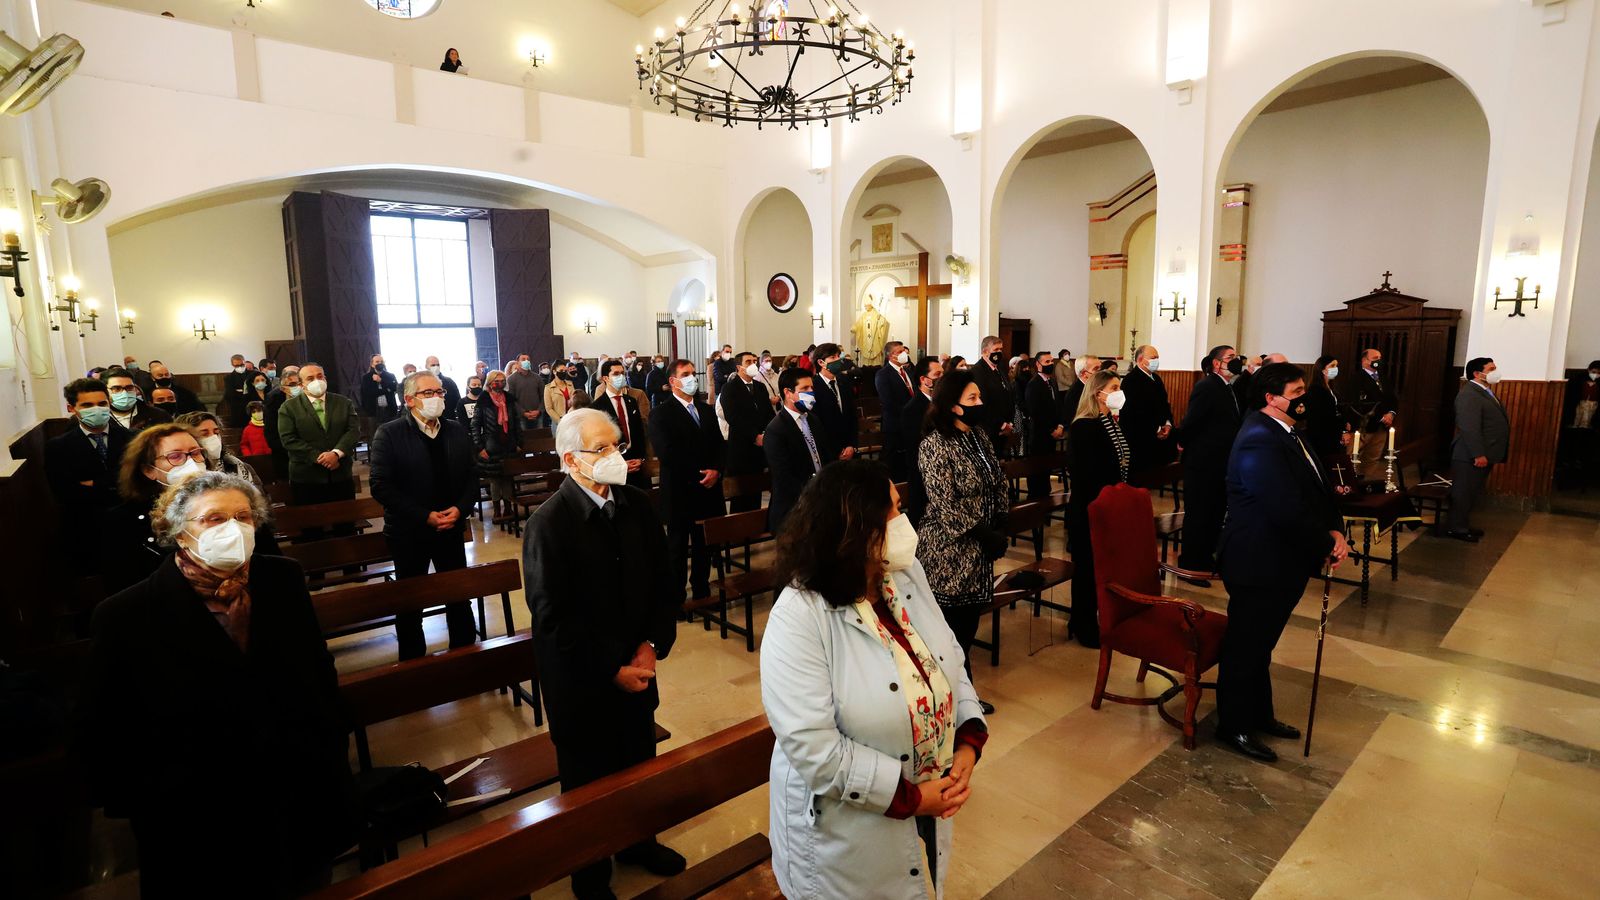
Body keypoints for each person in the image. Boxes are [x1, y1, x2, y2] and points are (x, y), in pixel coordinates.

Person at [88, 472, 357, 896]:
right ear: (178, 532)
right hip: (196, 811)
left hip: (296, 788)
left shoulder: (282, 579)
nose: (233, 529)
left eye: (243, 517)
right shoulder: (125, 614)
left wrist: (330, 750)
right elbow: (108, 728)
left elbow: (318, 674)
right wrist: (156, 800)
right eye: (213, 519)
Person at [762, 461, 986, 900]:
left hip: (927, 789)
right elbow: (816, 749)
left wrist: (966, 743)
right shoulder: (799, 615)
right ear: (857, 528)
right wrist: (914, 799)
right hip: (840, 834)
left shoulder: (903, 575)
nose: (907, 523)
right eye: (895, 512)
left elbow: (948, 660)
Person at [522, 408, 685, 899]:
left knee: (638, 765)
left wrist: (651, 646)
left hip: (638, 666)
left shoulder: (635, 504)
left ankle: (638, 842)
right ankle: (590, 871)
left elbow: (664, 582)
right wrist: (610, 667)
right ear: (572, 459)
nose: (615, 456)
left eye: (617, 445)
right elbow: (553, 617)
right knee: (587, 781)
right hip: (583, 680)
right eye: (602, 449)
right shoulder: (549, 524)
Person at [1215, 363, 1349, 763]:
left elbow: (1318, 488)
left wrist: (1336, 530)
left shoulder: (1289, 431)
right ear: (1271, 398)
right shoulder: (1258, 438)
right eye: (1296, 391)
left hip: (1282, 558)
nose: (1303, 397)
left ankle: (1259, 714)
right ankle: (1233, 725)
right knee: (1246, 644)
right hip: (1257, 559)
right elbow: (1283, 507)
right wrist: (1324, 541)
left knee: (1263, 643)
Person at [371, 372, 481, 659]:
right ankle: (413, 664)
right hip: (410, 533)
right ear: (409, 400)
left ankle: (465, 654)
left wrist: (461, 508)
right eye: (428, 393)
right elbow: (381, 486)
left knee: (457, 596)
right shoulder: (390, 433)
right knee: (411, 602)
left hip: (451, 527)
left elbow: (471, 475)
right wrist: (424, 516)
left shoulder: (455, 429)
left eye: (440, 392)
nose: (436, 398)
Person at [916, 370, 1007, 715]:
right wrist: (984, 533)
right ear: (952, 405)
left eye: (979, 397)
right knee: (951, 633)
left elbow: (997, 479)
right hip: (948, 550)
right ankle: (955, 699)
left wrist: (1000, 521)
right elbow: (944, 503)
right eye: (972, 399)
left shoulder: (979, 436)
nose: (979, 404)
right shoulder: (934, 444)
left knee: (968, 626)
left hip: (978, 549)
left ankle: (961, 694)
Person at [1064, 371, 1132, 649]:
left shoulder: (1111, 422)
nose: (1119, 392)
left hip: (1110, 508)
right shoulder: (1083, 427)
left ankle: (1095, 618)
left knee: (1102, 569)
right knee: (1087, 571)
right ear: (1097, 392)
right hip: (1090, 509)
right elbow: (1085, 475)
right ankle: (1083, 624)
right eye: (1114, 387)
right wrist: (1108, 500)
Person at [648, 360, 725, 600]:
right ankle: (677, 596)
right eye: (686, 374)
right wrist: (701, 474)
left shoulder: (706, 409)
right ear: (673, 381)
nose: (692, 378)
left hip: (708, 489)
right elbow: (668, 453)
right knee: (678, 548)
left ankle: (701, 589)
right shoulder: (661, 413)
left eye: (693, 373)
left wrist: (716, 470)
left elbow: (720, 446)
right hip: (681, 490)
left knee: (703, 545)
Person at [1177, 346, 1244, 582]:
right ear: (1217, 363)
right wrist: (1181, 441)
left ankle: (1206, 558)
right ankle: (1191, 565)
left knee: (1214, 513)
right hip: (1203, 462)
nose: (1235, 361)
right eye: (1230, 358)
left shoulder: (1227, 387)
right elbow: (1192, 420)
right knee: (1200, 514)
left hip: (1218, 461)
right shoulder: (1207, 386)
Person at [277, 363, 359, 515]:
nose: (317, 381)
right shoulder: (288, 407)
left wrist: (336, 454)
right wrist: (319, 457)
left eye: (320, 376)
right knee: (312, 529)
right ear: (302, 385)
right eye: (310, 378)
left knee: (346, 524)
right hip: (306, 477)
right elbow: (288, 439)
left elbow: (353, 431)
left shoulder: (343, 403)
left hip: (340, 474)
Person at [764, 367, 838, 534]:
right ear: (788, 393)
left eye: (811, 388)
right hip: (794, 509)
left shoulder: (813, 420)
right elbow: (783, 476)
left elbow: (826, 458)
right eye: (804, 389)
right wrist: (813, 495)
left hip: (820, 503)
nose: (811, 392)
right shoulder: (776, 429)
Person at [45, 378, 132, 519]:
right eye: (87, 405)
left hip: (131, 517)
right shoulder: (58, 446)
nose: (97, 409)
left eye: (102, 404)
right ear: (71, 408)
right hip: (86, 521)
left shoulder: (132, 438)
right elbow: (66, 492)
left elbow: (138, 480)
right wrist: (115, 482)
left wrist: (95, 483)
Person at [1445, 358, 1510, 542]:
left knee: (1471, 491)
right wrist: (1478, 453)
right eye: (1491, 369)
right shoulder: (1469, 394)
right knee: (1463, 492)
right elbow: (1469, 427)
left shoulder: (1484, 391)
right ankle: (1456, 528)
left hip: (1483, 452)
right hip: (1469, 454)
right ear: (1476, 373)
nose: (1495, 371)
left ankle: (1462, 524)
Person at [718, 351, 774, 511]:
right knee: (741, 495)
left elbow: (769, 414)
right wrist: (753, 435)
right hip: (741, 447)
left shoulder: (760, 387)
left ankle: (755, 529)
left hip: (761, 445)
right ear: (739, 367)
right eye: (748, 361)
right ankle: (739, 532)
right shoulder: (729, 388)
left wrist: (766, 434)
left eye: (755, 361)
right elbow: (733, 417)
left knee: (756, 492)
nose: (753, 364)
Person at [589, 358, 652, 489]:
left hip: (636, 461)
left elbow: (639, 432)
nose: (621, 377)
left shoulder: (631, 401)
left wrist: (640, 458)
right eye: (616, 374)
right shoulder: (597, 407)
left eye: (622, 373)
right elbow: (599, 442)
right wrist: (619, 463)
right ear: (606, 378)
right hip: (614, 464)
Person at [473, 369, 523, 526]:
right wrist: (480, 447)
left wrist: (519, 443)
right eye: (497, 381)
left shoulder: (509, 399)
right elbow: (475, 425)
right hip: (491, 445)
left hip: (509, 443)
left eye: (502, 381)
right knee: (494, 480)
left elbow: (516, 422)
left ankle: (508, 508)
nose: (500, 384)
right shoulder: (483, 400)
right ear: (490, 382)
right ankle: (497, 510)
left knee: (508, 477)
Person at [1341, 347, 1397, 480]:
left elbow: (1392, 398)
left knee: (1373, 457)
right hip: (1363, 427)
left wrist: (1391, 413)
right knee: (1354, 457)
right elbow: (1357, 404)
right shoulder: (1356, 379)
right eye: (1375, 358)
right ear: (1365, 361)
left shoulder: (1383, 377)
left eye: (1380, 358)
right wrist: (1381, 417)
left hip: (1381, 428)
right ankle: (1351, 484)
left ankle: (1366, 483)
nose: (1379, 361)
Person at [1119, 345, 1175, 475]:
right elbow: (1135, 411)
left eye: (1157, 358)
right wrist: (1157, 428)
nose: (1156, 361)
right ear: (1140, 359)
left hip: (1158, 433)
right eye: (1153, 358)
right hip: (1139, 436)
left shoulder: (1156, 378)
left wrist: (1167, 423)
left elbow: (1164, 403)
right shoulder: (1131, 380)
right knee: (1140, 475)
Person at [899, 357, 941, 525]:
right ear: (924, 380)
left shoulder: (941, 404)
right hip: (923, 477)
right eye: (937, 374)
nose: (941, 378)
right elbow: (917, 447)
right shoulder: (913, 409)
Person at [175, 411, 263, 490]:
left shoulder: (238, 466)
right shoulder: (183, 475)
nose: (213, 438)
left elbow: (261, 500)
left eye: (216, 433)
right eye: (205, 434)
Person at [1022, 350, 1065, 497]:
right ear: (1038, 364)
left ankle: (1045, 499)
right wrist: (1050, 429)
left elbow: (1058, 405)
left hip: (1053, 434)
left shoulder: (1052, 381)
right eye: (1047, 362)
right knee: (1037, 473)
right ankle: (1035, 503)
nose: (1051, 364)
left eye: (1052, 361)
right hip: (1040, 435)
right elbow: (1035, 412)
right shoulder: (1033, 384)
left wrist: (1060, 425)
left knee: (1047, 471)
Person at [875, 340, 918, 481]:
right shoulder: (883, 374)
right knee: (894, 464)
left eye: (904, 350)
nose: (904, 353)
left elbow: (914, 394)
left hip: (910, 424)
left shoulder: (908, 372)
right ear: (890, 356)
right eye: (899, 352)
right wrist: (910, 414)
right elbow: (888, 402)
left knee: (908, 463)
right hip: (895, 425)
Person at [810, 343, 859, 461]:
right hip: (828, 451)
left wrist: (851, 445)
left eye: (838, 356)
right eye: (833, 357)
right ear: (821, 362)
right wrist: (837, 450)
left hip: (848, 447)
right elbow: (817, 423)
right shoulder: (813, 386)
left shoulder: (844, 381)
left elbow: (852, 415)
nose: (838, 360)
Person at [969, 335, 1017, 452]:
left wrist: (1009, 422)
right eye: (996, 350)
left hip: (1005, 427)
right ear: (985, 352)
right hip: (989, 429)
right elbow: (983, 402)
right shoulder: (977, 371)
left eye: (1001, 349)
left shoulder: (999, 369)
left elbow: (1008, 394)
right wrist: (1002, 424)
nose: (999, 352)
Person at [1302, 355, 1350, 458]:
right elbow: (1325, 416)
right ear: (1322, 369)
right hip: (1322, 437)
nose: (1335, 368)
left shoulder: (1331, 388)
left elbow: (1337, 409)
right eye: (1332, 365)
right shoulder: (1316, 390)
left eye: (1336, 365)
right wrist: (1342, 430)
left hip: (1331, 435)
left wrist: (1344, 423)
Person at [103, 368, 172, 433]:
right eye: (117, 388)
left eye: (129, 387)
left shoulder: (159, 415)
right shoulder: (100, 418)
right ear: (105, 391)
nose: (125, 393)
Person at [265, 370, 302, 477]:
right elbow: (271, 434)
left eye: (299, 383)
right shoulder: (273, 403)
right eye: (292, 384)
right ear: (283, 388)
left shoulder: (309, 399)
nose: (297, 387)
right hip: (283, 453)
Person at [358, 354, 399, 440]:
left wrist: (381, 381)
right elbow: (369, 393)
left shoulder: (390, 376)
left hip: (389, 410)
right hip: (373, 411)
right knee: (375, 436)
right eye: (377, 362)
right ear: (372, 364)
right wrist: (387, 390)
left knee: (392, 434)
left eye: (381, 361)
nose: (380, 363)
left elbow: (394, 388)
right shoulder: (366, 377)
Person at [544, 358, 584, 434]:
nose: (564, 373)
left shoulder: (570, 384)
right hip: (558, 422)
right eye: (561, 371)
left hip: (572, 419)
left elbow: (574, 400)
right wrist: (560, 420)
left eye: (565, 371)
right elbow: (549, 408)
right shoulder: (548, 388)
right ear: (554, 372)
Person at [505, 353, 545, 426]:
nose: (526, 361)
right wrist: (523, 412)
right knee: (523, 437)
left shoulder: (537, 378)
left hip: (538, 415)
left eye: (528, 359)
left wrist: (539, 410)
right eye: (523, 359)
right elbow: (511, 400)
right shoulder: (511, 379)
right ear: (517, 363)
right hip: (520, 417)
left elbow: (543, 396)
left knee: (539, 436)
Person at [422, 356, 462, 420]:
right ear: (426, 366)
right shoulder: (421, 382)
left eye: (438, 365)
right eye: (433, 365)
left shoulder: (449, 382)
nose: (436, 367)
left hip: (448, 418)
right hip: (426, 419)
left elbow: (457, 401)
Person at [220, 354, 252, 427]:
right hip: (237, 409)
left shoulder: (252, 374)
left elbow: (254, 392)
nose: (240, 367)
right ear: (232, 365)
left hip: (252, 408)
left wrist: (240, 391)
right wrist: (245, 393)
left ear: (244, 362)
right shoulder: (229, 378)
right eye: (237, 366)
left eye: (242, 364)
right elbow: (229, 395)